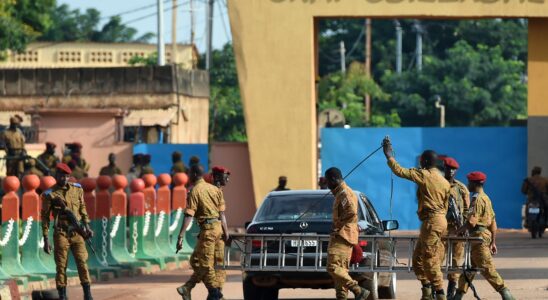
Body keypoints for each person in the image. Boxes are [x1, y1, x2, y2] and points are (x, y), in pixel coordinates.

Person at [382, 137, 450, 300]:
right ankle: (427, 292)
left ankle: (440, 293)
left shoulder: (425, 175)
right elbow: (446, 206)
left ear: (425, 161)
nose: (420, 163)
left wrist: (389, 156)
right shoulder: (444, 181)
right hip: (440, 221)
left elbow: (400, 171)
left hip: (432, 221)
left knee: (429, 259)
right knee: (418, 259)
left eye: (422, 161)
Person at [453, 172, 515, 300]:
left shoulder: (476, 199)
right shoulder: (486, 198)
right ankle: (458, 296)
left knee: (487, 269)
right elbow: (493, 223)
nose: (468, 185)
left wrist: (457, 231)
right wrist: (493, 242)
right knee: (468, 270)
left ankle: (507, 295)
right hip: (482, 238)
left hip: (478, 239)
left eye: (469, 182)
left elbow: (471, 222)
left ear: (474, 184)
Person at [175, 164, 229, 300]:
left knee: (203, 263)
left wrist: (180, 236)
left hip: (208, 231)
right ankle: (189, 287)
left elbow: (189, 216)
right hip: (218, 230)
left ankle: (215, 293)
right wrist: (226, 233)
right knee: (201, 261)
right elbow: (222, 215)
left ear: (193, 174)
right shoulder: (215, 189)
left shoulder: (195, 191)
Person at [41, 163, 94, 300]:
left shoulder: (77, 190)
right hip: (61, 233)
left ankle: (87, 294)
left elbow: (82, 209)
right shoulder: (49, 194)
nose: (63, 179)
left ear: (69, 176)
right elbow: (45, 217)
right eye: (60, 176)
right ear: (56, 176)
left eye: (66, 176)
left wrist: (87, 226)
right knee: (61, 266)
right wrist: (46, 239)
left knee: (82, 263)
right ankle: (62, 296)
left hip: (77, 232)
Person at [324, 167, 370, 300]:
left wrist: (338, 225)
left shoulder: (345, 193)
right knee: (341, 272)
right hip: (342, 234)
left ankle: (358, 290)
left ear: (333, 179)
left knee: (332, 267)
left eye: (327, 181)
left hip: (343, 235)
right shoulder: (339, 193)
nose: (326, 184)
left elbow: (351, 212)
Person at [442, 157, 470, 298]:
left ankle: (451, 290)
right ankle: (436, 289)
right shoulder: (438, 184)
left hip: (457, 229)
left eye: (453, 169)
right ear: (444, 168)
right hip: (442, 228)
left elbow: (467, 209)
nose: (451, 171)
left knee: (456, 261)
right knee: (437, 259)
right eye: (448, 168)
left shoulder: (461, 188)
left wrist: (465, 226)